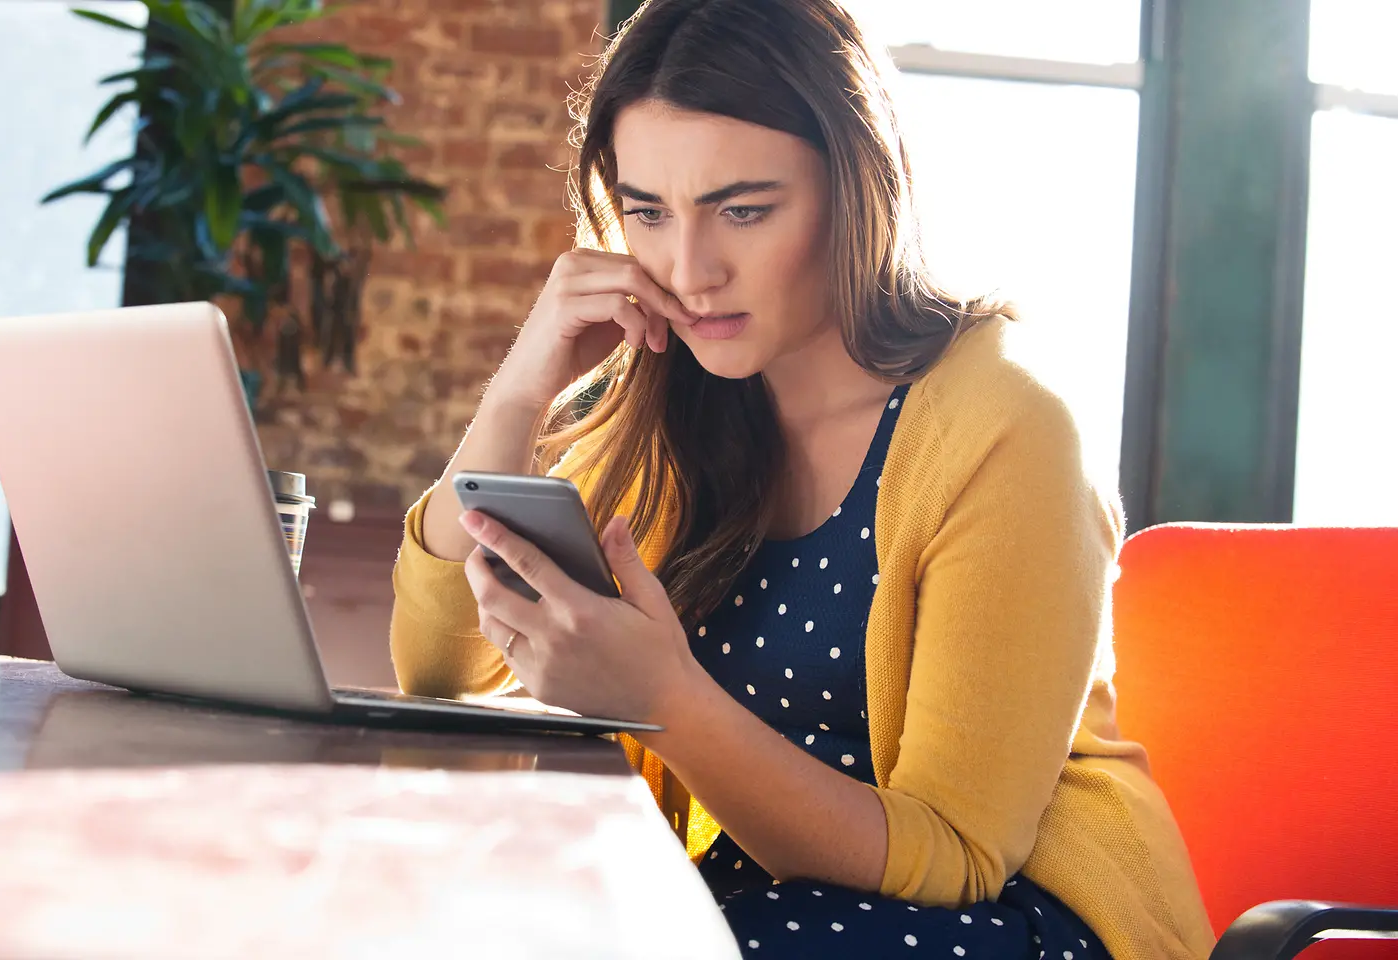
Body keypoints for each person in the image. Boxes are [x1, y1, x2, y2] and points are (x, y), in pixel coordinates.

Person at [390, 0, 1216, 956]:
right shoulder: (683, 404)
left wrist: (664, 701)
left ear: (857, 189)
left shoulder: (1007, 427)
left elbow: (957, 858)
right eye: (648, 213)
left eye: (743, 210)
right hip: (767, 909)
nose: (691, 269)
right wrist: (517, 394)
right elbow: (440, 670)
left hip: (1006, 918)